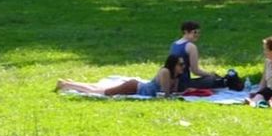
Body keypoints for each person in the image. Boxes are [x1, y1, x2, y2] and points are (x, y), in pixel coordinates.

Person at [57, 53, 189, 98]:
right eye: (180, 65)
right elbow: (165, 94)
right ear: (173, 64)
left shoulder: (176, 75)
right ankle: (66, 84)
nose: (183, 67)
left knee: (98, 89)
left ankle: (71, 82)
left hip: (137, 86)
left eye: (183, 65)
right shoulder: (165, 72)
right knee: (101, 92)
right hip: (135, 87)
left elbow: (172, 93)